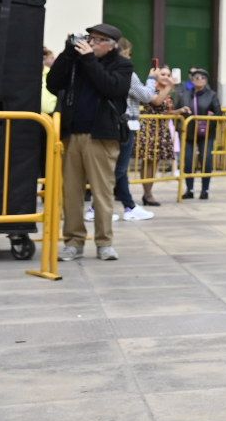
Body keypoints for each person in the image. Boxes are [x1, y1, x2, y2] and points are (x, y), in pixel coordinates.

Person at [46, 24, 133, 262]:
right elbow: (53, 84)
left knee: (102, 192)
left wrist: (89, 61)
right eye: (90, 38)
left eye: (98, 40)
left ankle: (104, 243)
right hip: (72, 135)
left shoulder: (122, 65)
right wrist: (67, 53)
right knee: (71, 193)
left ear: (111, 45)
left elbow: (111, 87)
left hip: (101, 137)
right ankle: (73, 242)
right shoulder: (76, 60)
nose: (92, 43)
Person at [113, 38, 156, 222]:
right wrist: (152, 80)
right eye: (129, 53)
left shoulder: (105, 70)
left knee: (118, 169)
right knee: (119, 169)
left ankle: (129, 206)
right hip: (126, 123)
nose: (130, 58)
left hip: (113, 123)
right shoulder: (127, 74)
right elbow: (146, 96)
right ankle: (96, 207)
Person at [134, 66, 179, 206]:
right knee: (147, 162)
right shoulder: (151, 88)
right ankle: (147, 194)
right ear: (156, 76)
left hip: (161, 130)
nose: (166, 76)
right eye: (163, 74)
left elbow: (165, 111)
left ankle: (148, 193)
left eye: (168, 74)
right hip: (149, 130)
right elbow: (156, 102)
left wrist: (178, 111)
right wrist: (169, 86)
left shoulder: (168, 91)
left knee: (155, 163)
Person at [174, 68, 221, 200]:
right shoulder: (185, 94)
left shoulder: (211, 95)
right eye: (196, 77)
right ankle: (190, 189)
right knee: (188, 161)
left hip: (206, 133)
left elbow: (218, 113)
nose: (199, 80)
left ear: (206, 80)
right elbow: (177, 110)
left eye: (202, 78)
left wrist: (210, 117)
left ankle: (205, 190)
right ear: (192, 80)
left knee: (206, 160)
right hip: (188, 133)